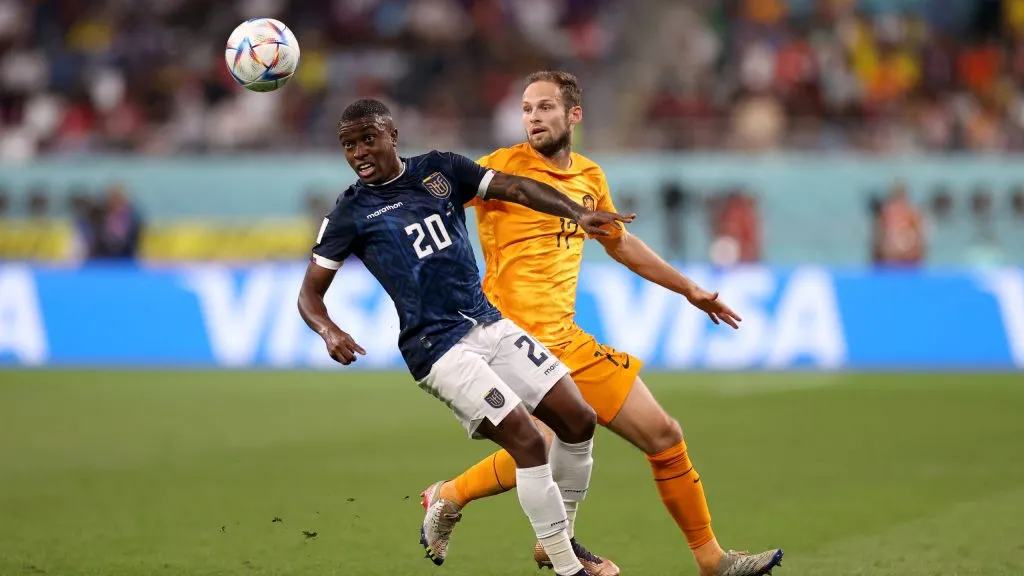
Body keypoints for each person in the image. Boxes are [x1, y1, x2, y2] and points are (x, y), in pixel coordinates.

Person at [419, 72, 784, 576]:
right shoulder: (497, 170)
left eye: (545, 107)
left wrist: (689, 289)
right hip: (510, 340)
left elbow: (621, 244)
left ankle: (711, 559)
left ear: (574, 115)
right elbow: (430, 209)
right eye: (527, 109)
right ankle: (455, 497)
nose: (533, 118)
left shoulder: (590, 177)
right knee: (543, 443)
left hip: (568, 340)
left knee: (663, 433)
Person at [297, 98, 634, 576]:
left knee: (578, 420)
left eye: (367, 139)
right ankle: (567, 567)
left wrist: (575, 213)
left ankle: (558, 539)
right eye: (348, 145)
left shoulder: (440, 169)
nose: (358, 153)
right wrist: (329, 331)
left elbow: (515, 187)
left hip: (487, 322)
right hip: (437, 349)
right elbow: (309, 296)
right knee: (528, 442)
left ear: (392, 134)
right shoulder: (351, 213)